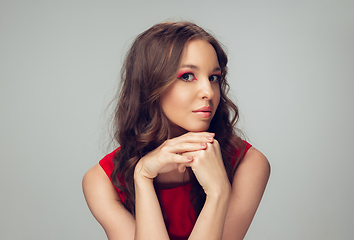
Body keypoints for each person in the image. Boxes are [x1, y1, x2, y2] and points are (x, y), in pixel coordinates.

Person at [82, 21, 270, 240]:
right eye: (187, 76)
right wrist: (142, 177)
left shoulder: (248, 163)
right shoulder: (103, 181)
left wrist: (218, 193)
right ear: (150, 85)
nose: (208, 92)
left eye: (214, 78)